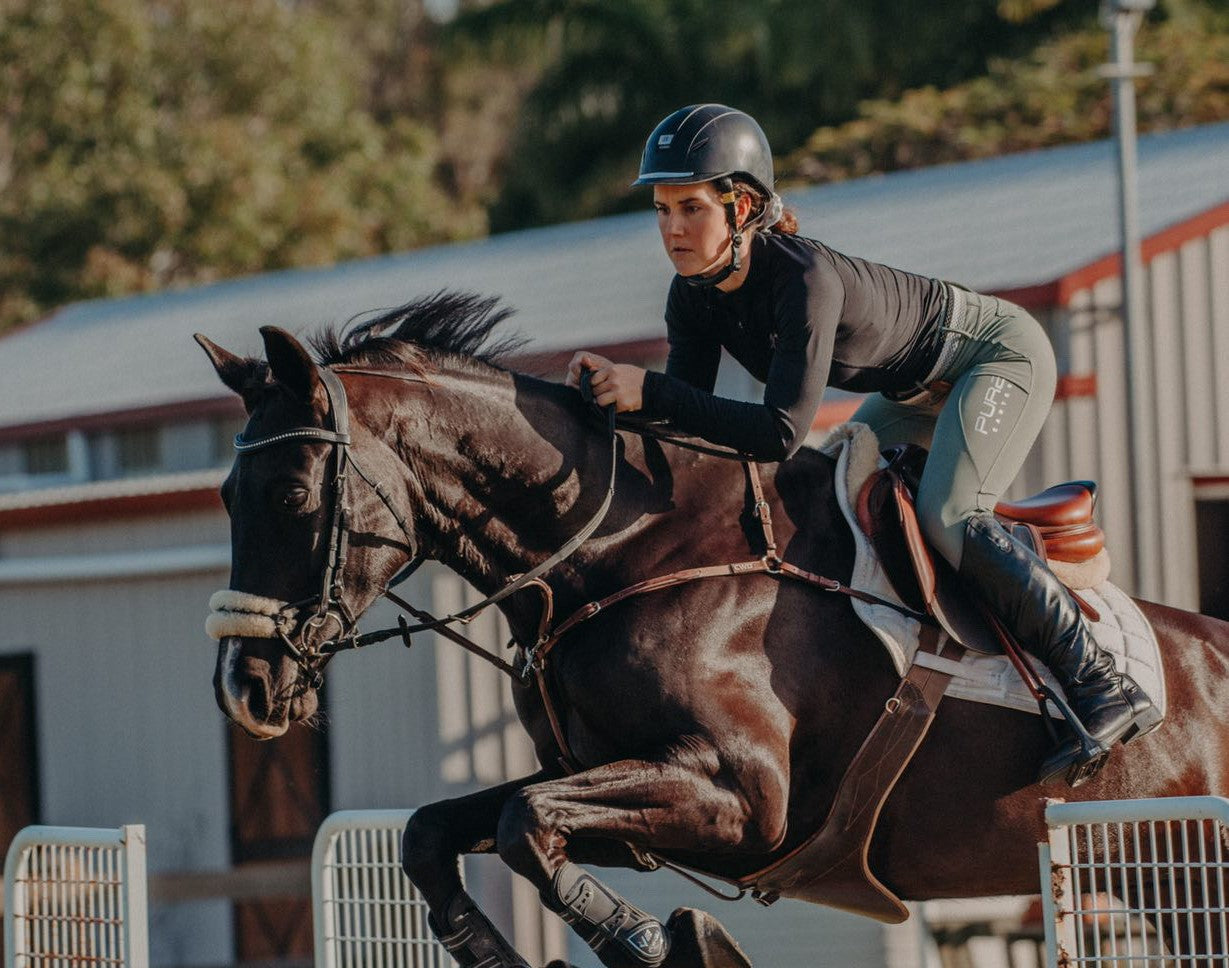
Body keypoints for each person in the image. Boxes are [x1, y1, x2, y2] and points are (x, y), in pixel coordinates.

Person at [565, 103, 1161, 786]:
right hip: (911, 390)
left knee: (948, 514)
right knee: (824, 497)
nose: (672, 228)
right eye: (663, 210)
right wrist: (600, 409)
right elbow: (683, 426)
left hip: (994, 356)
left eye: (691, 208)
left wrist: (653, 394)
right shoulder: (691, 296)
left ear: (743, 206)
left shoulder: (802, 279)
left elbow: (778, 432)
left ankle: (1100, 682)